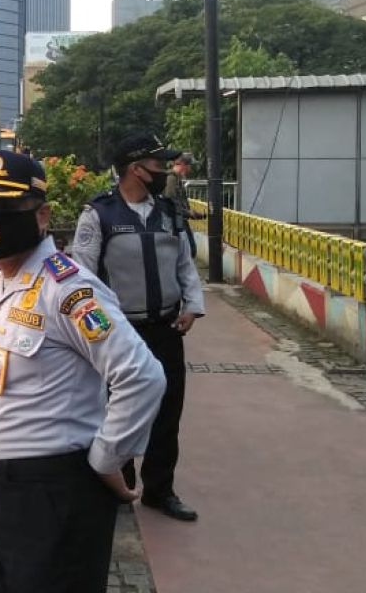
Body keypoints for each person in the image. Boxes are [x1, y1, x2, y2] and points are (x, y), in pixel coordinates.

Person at [0, 149, 165, 593]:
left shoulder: (68, 289)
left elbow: (142, 376)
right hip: (1, 489)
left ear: (43, 215)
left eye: (6, 207)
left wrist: (109, 458)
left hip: (54, 493)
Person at [69, 133, 205, 523]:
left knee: (168, 410)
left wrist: (193, 307)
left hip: (165, 328)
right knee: (117, 409)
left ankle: (160, 490)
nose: (163, 172)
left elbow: (184, 266)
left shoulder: (168, 212)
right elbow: (82, 277)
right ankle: (119, 485)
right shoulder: (99, 214)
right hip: (119, 333)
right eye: (158, 165)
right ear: (135, 169)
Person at [164, 152, 199, 257]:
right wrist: (188, 213)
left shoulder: (177, 179)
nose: (190, 169)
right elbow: (170, 202)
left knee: (189, 250)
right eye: (190, 166)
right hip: (175, 221)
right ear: (183, 165)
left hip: (180, 218)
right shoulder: (171, 179)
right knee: (188, 250)